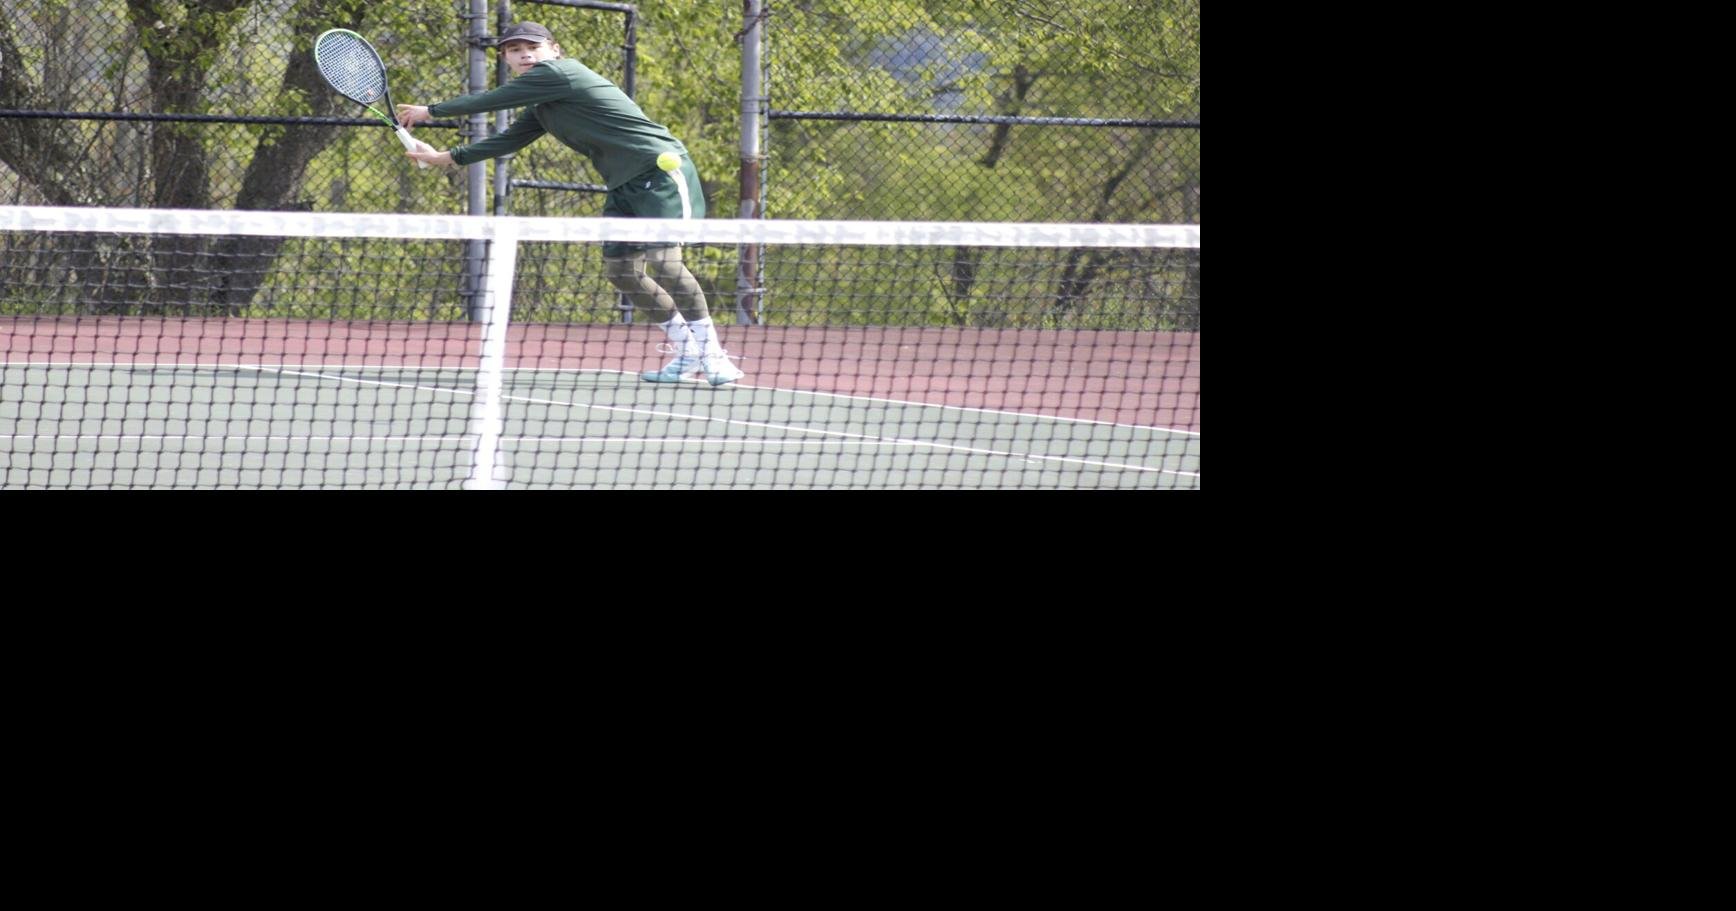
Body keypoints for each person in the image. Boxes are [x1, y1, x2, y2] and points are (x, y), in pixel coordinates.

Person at [397, 21, 743, 386]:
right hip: (623, 186)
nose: (525, 54)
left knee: (665, 264)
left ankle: (714, 356)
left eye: (533, 46)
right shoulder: (542, 106)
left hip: (658, 174)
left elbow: (490, 100)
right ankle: (686, 352)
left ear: (554, 50)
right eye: (514, 50)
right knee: (621, 271)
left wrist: (431, 110)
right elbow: (507, 140)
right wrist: (447, 156)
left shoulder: (560, 73)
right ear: (506, 58)